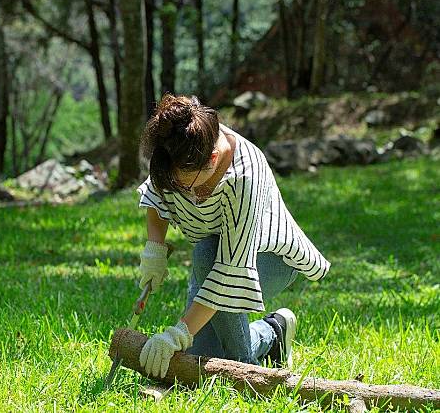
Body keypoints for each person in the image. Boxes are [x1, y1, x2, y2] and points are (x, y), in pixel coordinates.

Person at [136, 94, 331, 379]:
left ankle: (247, 371)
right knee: (199, 359)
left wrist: (176, 333)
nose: (177, 190)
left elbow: (229, 273)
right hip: (214, 260)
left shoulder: (245, 176)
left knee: (205, 256)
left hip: (270, 259)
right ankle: (274, 332)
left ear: (212, 160)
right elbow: (157, 194)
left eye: (183, 183)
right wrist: (154, 248)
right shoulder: (180, 145)